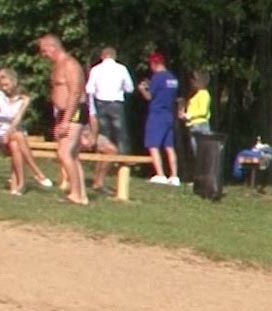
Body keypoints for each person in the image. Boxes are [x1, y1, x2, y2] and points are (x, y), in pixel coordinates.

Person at [38, 35, 90, 206]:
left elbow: (75, 93)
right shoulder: (57, 66)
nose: (43, 54)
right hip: (63, 112)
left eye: (44, 50)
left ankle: (76, 194)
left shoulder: (70, 64)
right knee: (72, 155)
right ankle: (81, 195)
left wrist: (66, 120)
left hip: (73, 111)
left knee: (64, 152)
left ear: (53, 47)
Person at [0, 69, 52, 195]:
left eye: (6, 85)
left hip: (13, 132)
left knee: (16, 144)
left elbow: (17, 119)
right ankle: (36, 173)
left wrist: (9, 132)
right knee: (18, 137)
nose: (4, 88)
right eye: (2, 85)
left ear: (14, 82)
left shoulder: (24, 99)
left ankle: (19, 186)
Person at [84, 45, 133, 193]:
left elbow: (89, 90)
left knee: (104, 135)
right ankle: (123, 165)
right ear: (114, 56)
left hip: (100, 104)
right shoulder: (121, 69)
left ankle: (103, 164)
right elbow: (130, 88)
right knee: (121, 134)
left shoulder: (96, 69)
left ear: (102, 56)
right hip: (116, 103)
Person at [138, 51, 180, 185]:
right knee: (169, 146)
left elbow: (149, 96)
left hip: (157, 113)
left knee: (153, 144)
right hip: (168, 114)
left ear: (155, 64)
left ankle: (160, 174)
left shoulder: (158, 77)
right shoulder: (173, 78)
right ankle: (174, 176)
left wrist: (142, 89)